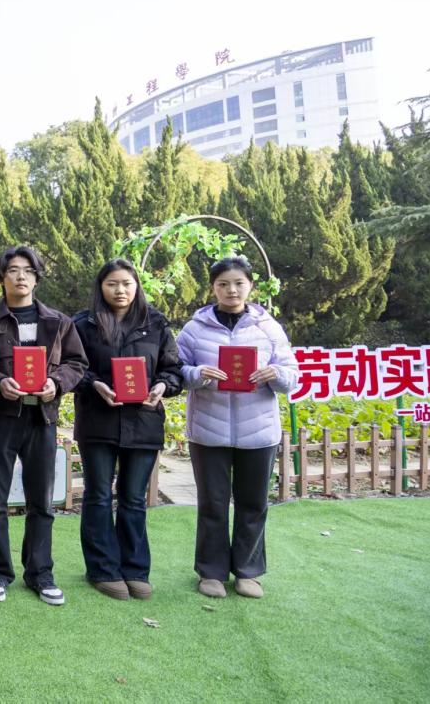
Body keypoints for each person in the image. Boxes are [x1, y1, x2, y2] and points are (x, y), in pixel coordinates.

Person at [0, 246, 87, 606]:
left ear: (36, 277)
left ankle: (40, 573)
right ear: (2, 277)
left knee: (41, 501)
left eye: (28, 270)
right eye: (13, 270)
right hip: (1, 418)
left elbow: (78, 363)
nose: (21, 276)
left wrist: (57, 383)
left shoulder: (59, 322)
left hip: (41, 419)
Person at [177, 256, 298, 600]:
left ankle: (248, 572)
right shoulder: (194, 329)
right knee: (212, 504)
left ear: (250, 286)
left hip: (258, 432)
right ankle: (211, 572)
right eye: (223, 284)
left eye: (238, 283)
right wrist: (198, 374)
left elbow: (291, 375)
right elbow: (175, 370)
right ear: (213, 288)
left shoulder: (268, 327)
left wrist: (276, 374)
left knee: (253, 503)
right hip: (208, 431)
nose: (231, 290)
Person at [72, 259, 183, 601]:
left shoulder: (155, 323)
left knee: (134, 498)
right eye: (112, 284)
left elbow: (173, 370)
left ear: (136, 286)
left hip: (143, 422)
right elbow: (71, 368)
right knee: (98, 495)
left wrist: (162, 386)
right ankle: (102, 569)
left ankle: (135, 569)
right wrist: (95, 385)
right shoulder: (83, 324)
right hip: (98, 421)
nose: (120, 290)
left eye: (126, 283)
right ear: (100, 287)